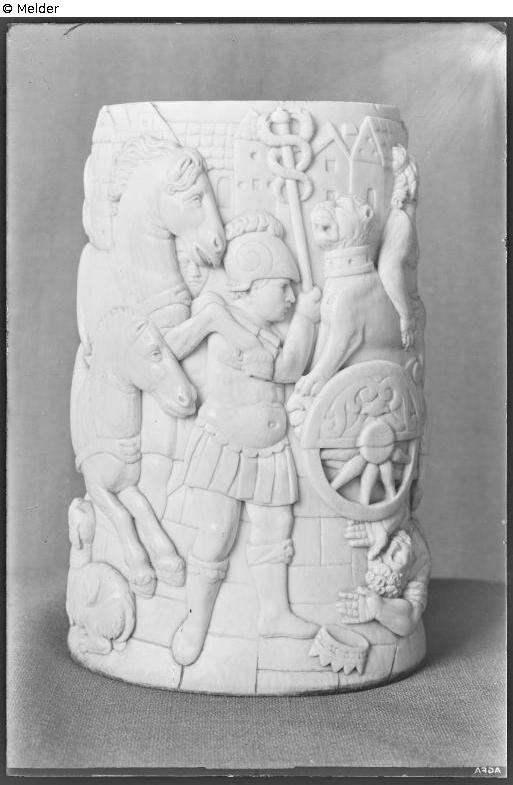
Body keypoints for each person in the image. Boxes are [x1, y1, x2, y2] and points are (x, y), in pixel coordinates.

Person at [171, 210, 322, 666]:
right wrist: (305, 320)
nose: (291, 297)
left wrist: (304, 322)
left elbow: (289, 366)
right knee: (217, 534)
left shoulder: (265, 332)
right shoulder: (225, 323)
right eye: (282, 287)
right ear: (252, 285)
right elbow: (285, 369)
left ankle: (274, 613)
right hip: (227, 446)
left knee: (275, 529)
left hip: (269, 449)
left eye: (294, 289)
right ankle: (195, 622)